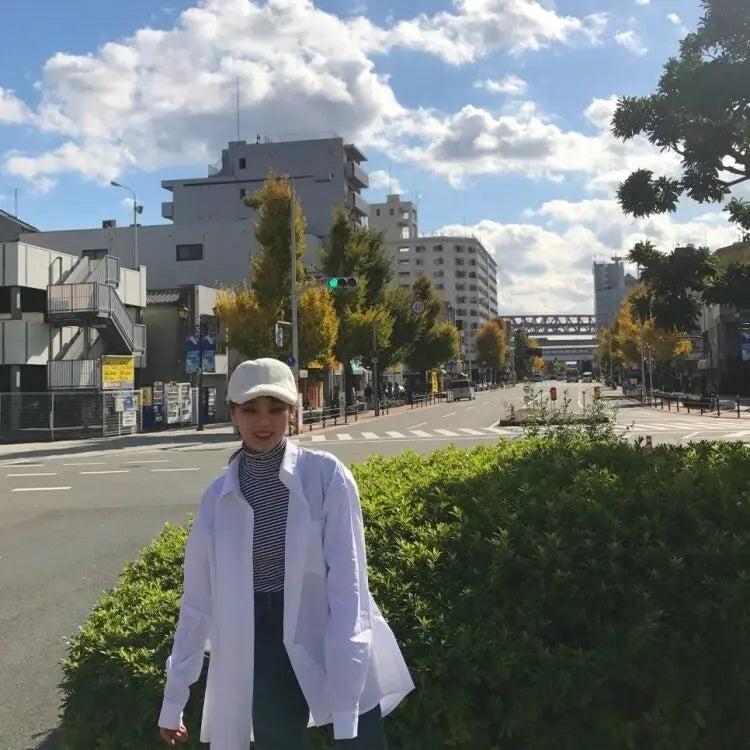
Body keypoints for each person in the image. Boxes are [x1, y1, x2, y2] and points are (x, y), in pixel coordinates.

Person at [158, 358, 414, 749]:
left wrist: (348, 677)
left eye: (276, 408)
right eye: (250, 409)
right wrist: (174, 699)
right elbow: (197, 602)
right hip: (258, 639)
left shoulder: (325, 476)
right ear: (233, 414)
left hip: (330, 624)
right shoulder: (218, 498)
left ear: (293, 412)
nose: (265, 421)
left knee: (359, 737)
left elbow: (349, 584)